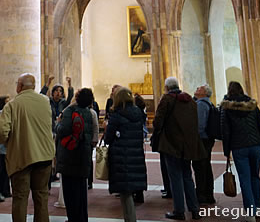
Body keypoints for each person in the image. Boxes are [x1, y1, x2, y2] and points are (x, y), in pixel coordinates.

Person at [0, 73, 55, 222]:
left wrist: (3, 139)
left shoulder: (12, 105)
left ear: (19, 86)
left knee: (20, 199)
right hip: (44, 156)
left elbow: (1, 133)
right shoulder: (45, 101)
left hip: (22, 158)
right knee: (41, 199)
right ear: (33, 86)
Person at [153, 76, 203, 221]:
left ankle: (179, 210)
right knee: (187, 176)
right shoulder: (191, 101)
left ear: (167, 88)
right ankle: (195, 210)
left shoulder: (167, 99)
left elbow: (158, 121)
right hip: (187, 145)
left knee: (175, 178)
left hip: (171, 144)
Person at [221, 80, 260, 217]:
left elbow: (225, 131)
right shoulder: (252, 105)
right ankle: (257, 208)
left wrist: (226, 151)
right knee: (255, 177)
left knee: (245, 179)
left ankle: (251, 213)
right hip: (256, 145)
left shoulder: (227, 107)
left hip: (239, 147)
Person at [104, 86, 147, 222]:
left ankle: (130, 219)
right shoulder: (138, 113)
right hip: (136, 154)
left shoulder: (116, 115)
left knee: (125, 193)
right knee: (129, 189)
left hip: (121, 156)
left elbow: (108, 138)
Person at [56, 87, 94, 222]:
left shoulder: (70, 111)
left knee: (70, 192)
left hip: (70, 155)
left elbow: (62, 130)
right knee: (81, 190)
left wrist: (58, 123)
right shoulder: (89, 113)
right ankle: (82, 218)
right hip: (83, 153)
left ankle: (73, 218)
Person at [192, 84, 216, 204]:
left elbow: (199, 125)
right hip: (208, 139)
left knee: (200, 167)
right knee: (206, 166)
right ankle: (209, 194)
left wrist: (195, 138)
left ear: (204, 93)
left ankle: (201, 195)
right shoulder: (208, 103)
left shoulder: (201, 104)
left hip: (202, 139)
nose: (196, 89)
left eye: (199, 88)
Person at [0, 95, 12, 199]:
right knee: (4, 170)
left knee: (2, 169)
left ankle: (3, 189)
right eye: (7, 102)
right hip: (3, 146)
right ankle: (5, 190)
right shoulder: (2, 114)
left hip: (0, 146)